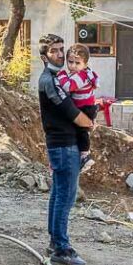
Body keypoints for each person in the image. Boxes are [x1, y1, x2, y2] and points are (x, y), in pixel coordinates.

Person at [37, 33, 94, 265]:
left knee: (59, 194)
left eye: (62, 49)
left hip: (64, 143)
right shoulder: (50, 80)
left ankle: (54, 242)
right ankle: (61, 247)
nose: (61, 54)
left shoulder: (60, 76)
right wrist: (89, 122)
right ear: (44, 56)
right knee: (66, 197)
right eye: (54, 51)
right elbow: (73, 113)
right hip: (63, 144)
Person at [57, 44, 100, 174]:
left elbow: (68, 87)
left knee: (81, 131)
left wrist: (62, 75)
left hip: (85, 108)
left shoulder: (81, 75)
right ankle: (82, 156)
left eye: (77, 63)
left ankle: (85, 156)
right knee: (80, 131)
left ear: (85, 64)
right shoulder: (83, 73)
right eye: (70, 62)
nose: (73, 66)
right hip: (85, 106)